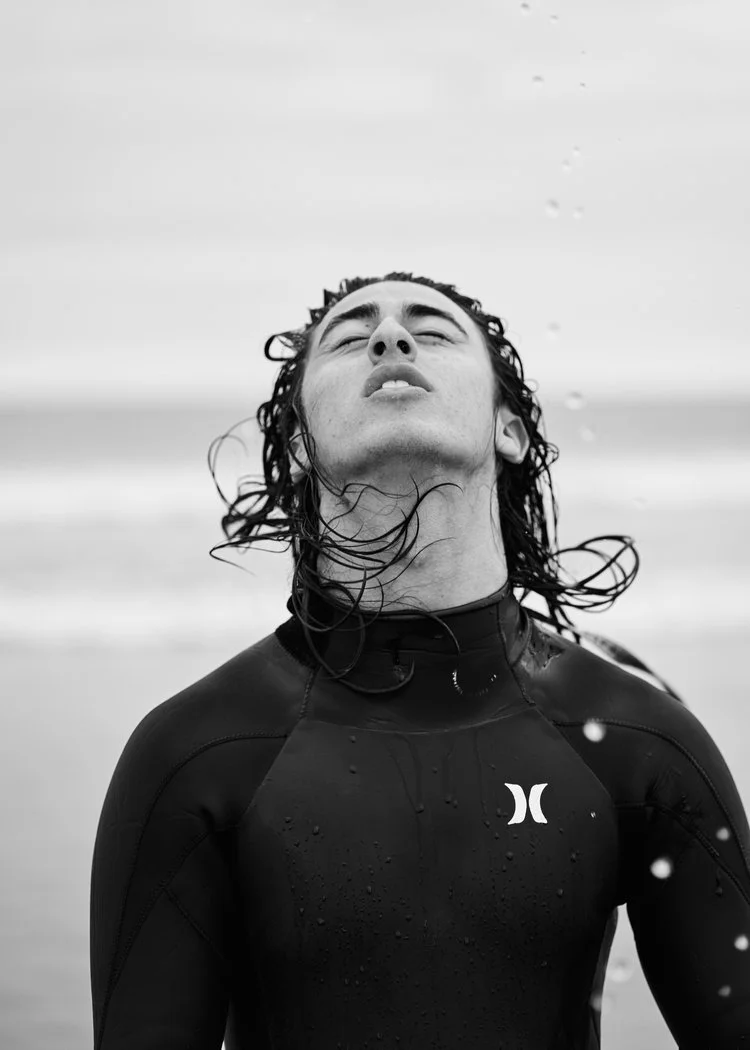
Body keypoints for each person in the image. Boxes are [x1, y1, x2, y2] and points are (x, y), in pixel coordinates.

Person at [89, 272, 750, 1049]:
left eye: (431, 331)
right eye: (350, 337)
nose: (390, 338)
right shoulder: (197, 753)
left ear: (510, 431)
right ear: (300, 446)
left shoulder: (637, 741)